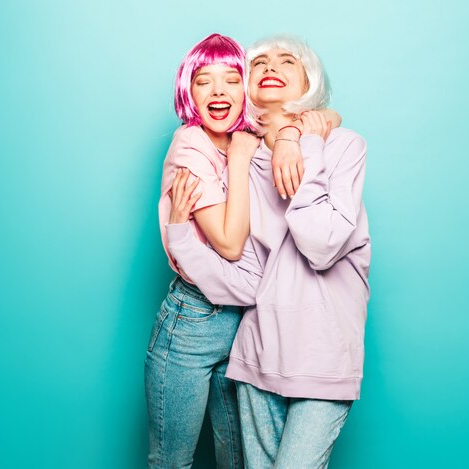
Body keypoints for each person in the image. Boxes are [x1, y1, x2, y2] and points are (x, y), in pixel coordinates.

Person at [166, 35, 371, 468]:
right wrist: (182, 236)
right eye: (258, 62)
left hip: (324, 362)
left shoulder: (344, 146)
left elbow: (320, 244)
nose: (270, 66)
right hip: (257, 358)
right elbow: (245, 277)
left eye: (287, 60)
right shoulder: (244, 157)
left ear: (309, 82)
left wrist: (300, 141)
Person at [144, 33, 259, 469]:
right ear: (188, 91)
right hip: (193, 321)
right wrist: (241, 161)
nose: (218, 92)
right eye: (204, 81)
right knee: (172, 461)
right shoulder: (192, 147)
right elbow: (229, 244)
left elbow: (315, 116)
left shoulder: (245, 135)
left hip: (246, 322)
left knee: (239, 460)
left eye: (231, 80)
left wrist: (287, 135)